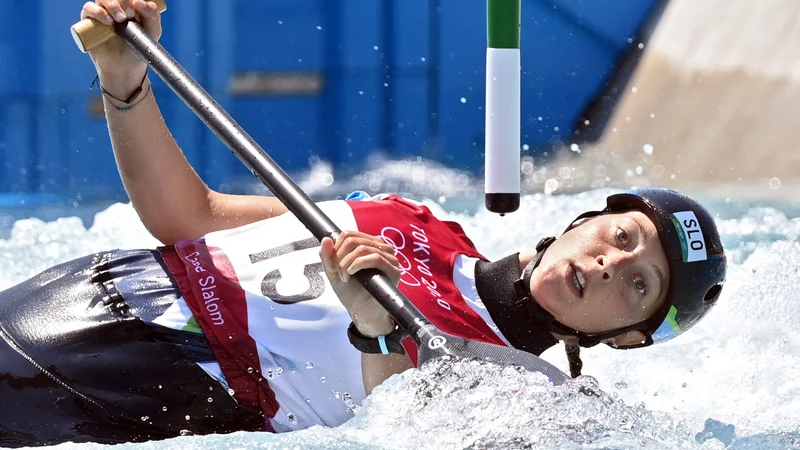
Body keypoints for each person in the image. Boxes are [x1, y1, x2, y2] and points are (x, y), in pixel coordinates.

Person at [0, 0, 726, 447]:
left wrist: (373, 327)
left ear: (626, 339)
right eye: (622, 238)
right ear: (581, 221)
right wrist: (125, 82)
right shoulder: (413, 217)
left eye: (638, 287)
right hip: (76, 295)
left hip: (137, 389)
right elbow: (187, 218)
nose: (609, 265)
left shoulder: (525, 393)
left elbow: (398, 432)